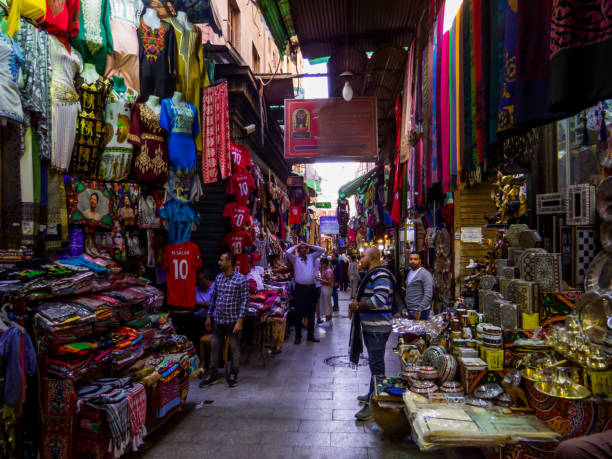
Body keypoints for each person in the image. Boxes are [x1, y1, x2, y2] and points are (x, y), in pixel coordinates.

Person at [349, 246, 394, 421]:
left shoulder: (380, 274)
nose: (362, 257)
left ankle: (375, 404)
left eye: (365, 255)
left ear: (373, 257)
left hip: (378, 328)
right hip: (372, 327)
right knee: (375, 365)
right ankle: (371, 394)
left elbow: (380, 299)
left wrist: (358, 306)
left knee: (377, 367)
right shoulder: (373, 273)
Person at [200, 252, 249, 388]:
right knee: (214, 348)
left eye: (221, 260)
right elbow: (213, 299)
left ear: (229, 262)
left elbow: (245, 301)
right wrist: (209, 316)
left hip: (233, 321)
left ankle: (233, 374)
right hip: (219, 320)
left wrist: (240, 320)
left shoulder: (241, 279)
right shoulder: (219, 278)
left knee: (234, 348)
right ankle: (212, 375)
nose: (219, 262)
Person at [285, 241, 325, 344]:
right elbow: (288, 252)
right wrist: (296, 245)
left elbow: (322, 250)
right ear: (298, 250)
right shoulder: (295, 259)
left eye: (305, 248)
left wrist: (310, 245)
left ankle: (310, 335)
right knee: (299, 313)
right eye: (301, 248)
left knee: (311, 313)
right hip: (300, 289)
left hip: (311, 288)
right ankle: (298, 336)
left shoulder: (311, 257)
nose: (303, 249)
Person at [403, 252, 434, 320]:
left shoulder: (425, 274)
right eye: (411, 259)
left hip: (421, 311)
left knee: (420, 330)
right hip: (410, 309)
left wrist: (419, 310)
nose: (413, 261)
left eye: (415, 259)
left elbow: (428, 294)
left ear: (420, 261)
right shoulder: (410, 272)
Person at [319, 258, 334, 326]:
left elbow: (329, 281)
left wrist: (320, 279)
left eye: (322, 264)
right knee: (328, 304)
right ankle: (329, 320)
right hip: (327, 289)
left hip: (326, 288)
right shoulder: (328, 270)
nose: (321, 265)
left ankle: (327, 321)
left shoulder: (328, 271)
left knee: (327, 304)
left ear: (325, 263)